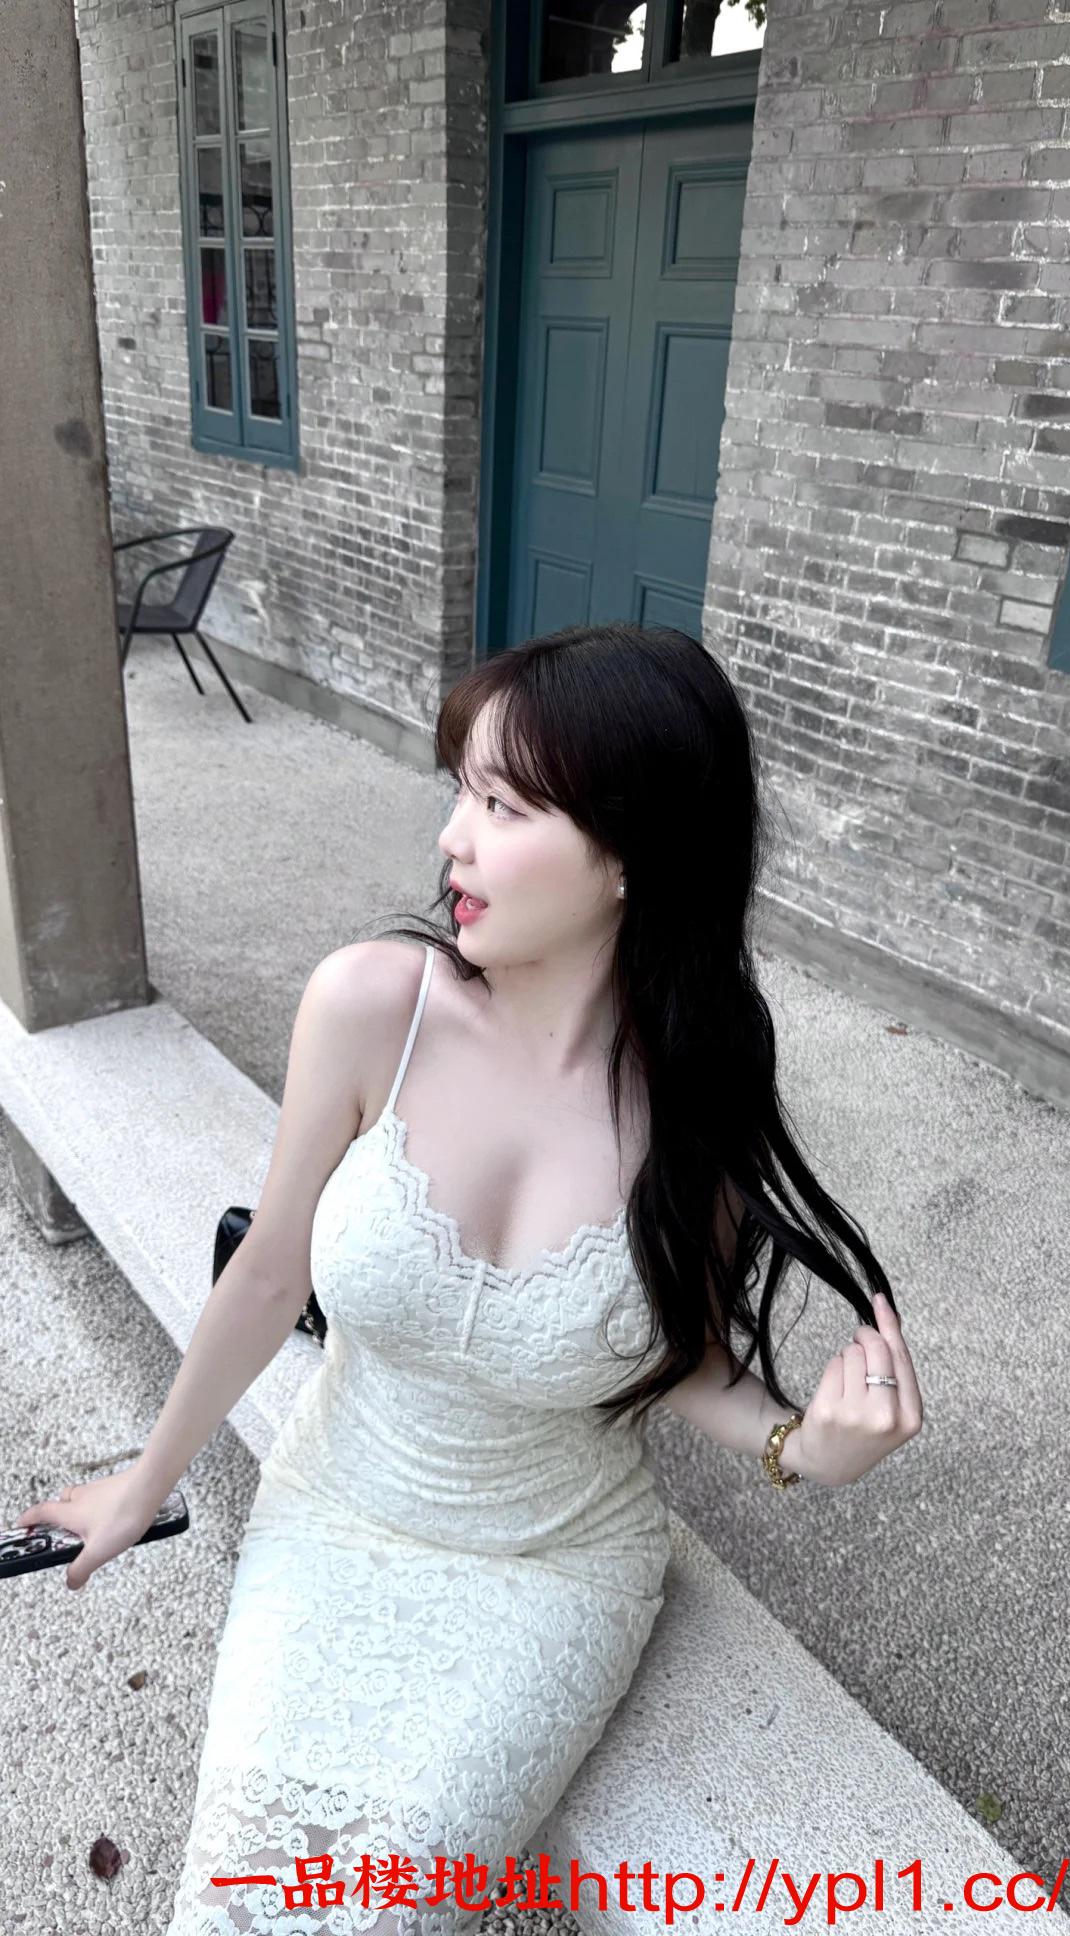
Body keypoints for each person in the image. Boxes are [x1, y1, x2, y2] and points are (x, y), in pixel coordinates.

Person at [16, 622, 922, 1932]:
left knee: (382, 1910)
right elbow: (268, 1272)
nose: (452, 838)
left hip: (552, 1572)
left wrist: (803, 1446)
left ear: (633, 851)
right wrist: (143, 1483)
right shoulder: (372, 1007)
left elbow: (676, 1356)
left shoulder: (697, 1096)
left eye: (503, 806)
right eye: (461, 793)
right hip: (334, 1517)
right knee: (231, 1902)